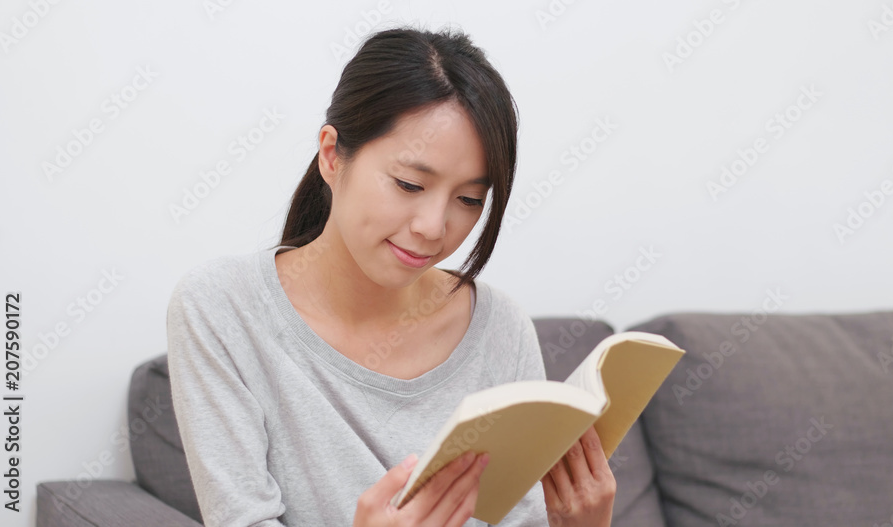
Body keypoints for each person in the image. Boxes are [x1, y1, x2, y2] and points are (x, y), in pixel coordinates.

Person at [166, 25, 616, 527]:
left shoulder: (501, 328)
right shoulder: (222, 309)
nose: (433, 228)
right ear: (331, 155)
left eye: (469, 199)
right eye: (409, 184)